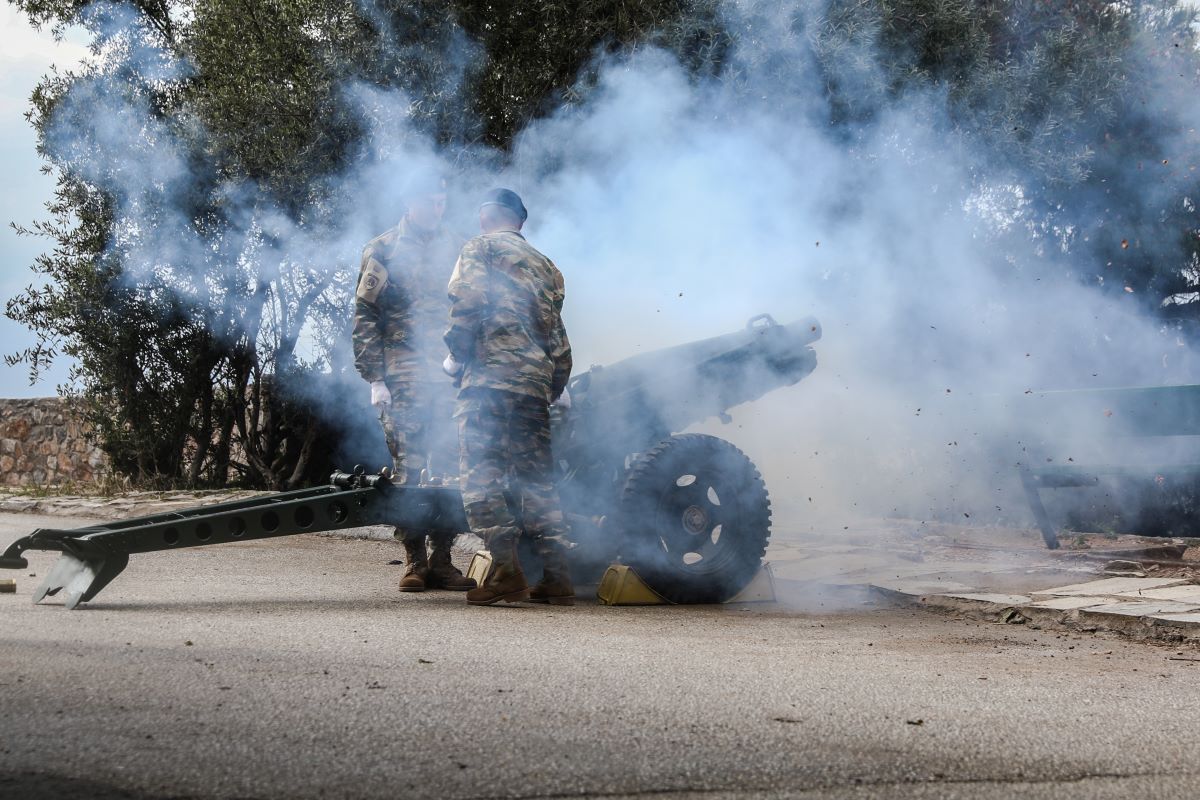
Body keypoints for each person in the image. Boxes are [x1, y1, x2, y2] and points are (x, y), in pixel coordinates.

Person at [443, 188, 575, 606]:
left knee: (480, 477)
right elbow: (556, 334)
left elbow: (467, 304)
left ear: (486, 217)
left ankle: (505, 572)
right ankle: (556, 577)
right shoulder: (547, 266)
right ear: (521, 222)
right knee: (537, 481)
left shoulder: (478, 248)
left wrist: (455, 356)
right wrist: (554, 385)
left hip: (487, 381)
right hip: (533, 386)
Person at [352, 174, 476, 593]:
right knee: (409, 469)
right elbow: (365, 315)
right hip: (402, 375)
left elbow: (470, 310)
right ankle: (414, 562)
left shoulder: (460, 246)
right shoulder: (383, 248)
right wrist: (375, 378)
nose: (436, 209)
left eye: (441, 201)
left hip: (447, 376)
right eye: (429, 202)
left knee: (449, 470)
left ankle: (443, 561)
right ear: (409, 202)